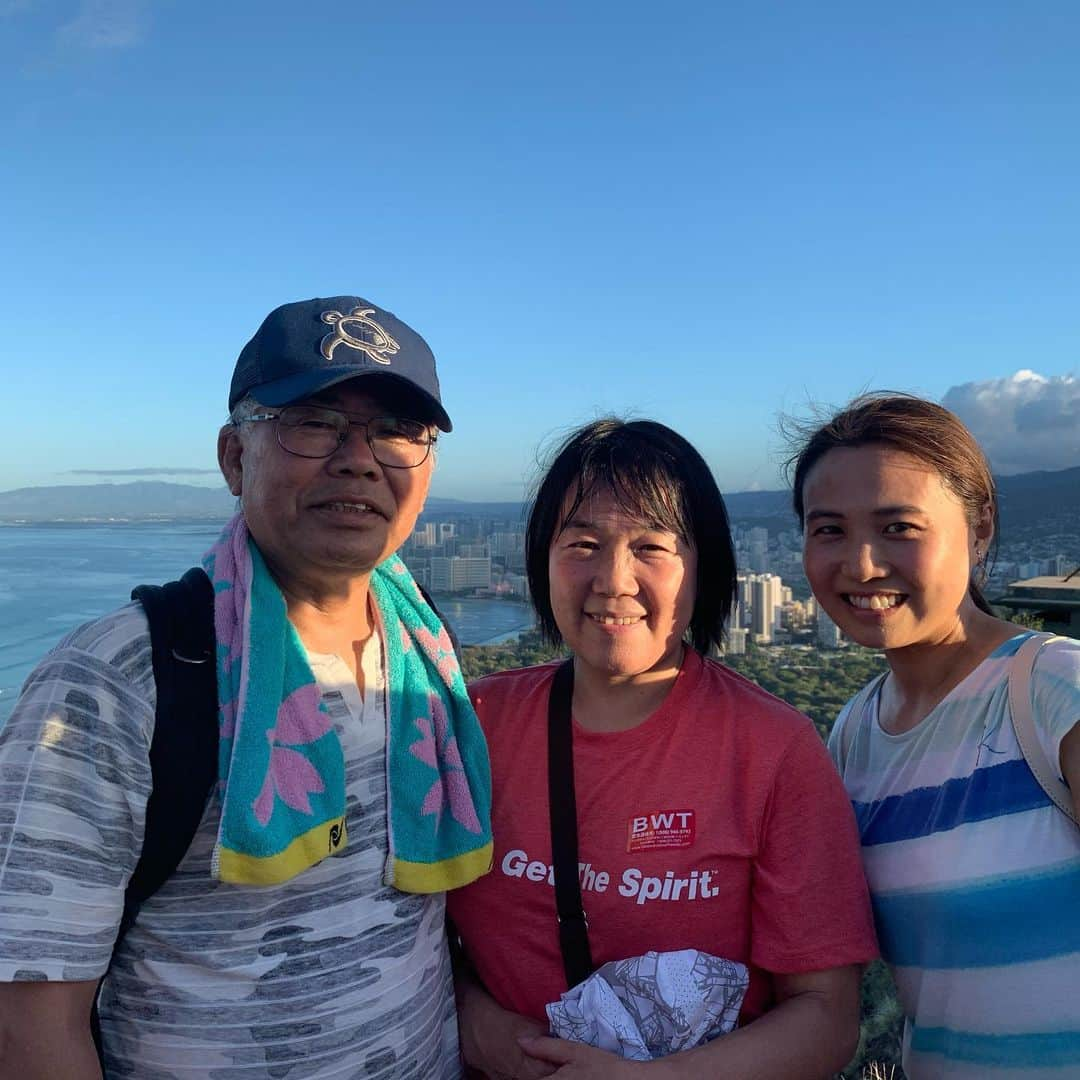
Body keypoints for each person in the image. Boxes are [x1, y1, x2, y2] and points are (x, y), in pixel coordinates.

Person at [0, 296, 492, 1078]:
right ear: (235, 457)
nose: (359, 458)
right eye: (315, 421)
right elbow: (30, 1020)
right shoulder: (118, 681)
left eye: (397, 431)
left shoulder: (422, 648)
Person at [447, 418, 877, 1079]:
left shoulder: (771, 749)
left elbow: (825, 1015)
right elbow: (407, 938)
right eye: (582, 543)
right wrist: (484, 1028)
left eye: (652, 547)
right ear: (541, 556)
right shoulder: (475, 723)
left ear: (703, 568)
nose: (612, 581)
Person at [790, 393, 1080, 1080]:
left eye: (898, 527)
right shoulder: (856, 733)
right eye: (828, 530)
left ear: (979, 530)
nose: (860, 565)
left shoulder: (1054, 694)